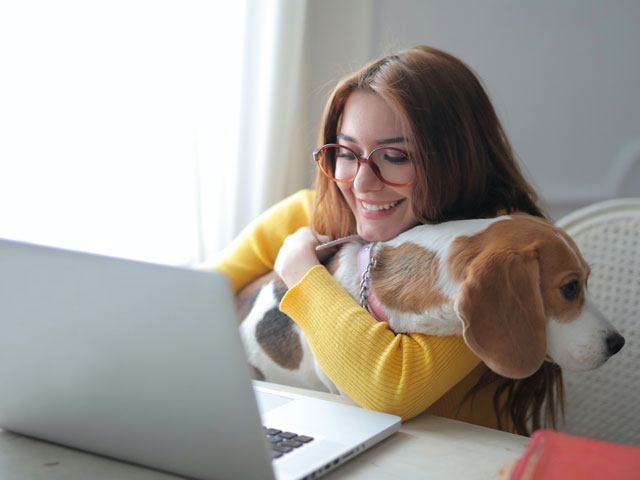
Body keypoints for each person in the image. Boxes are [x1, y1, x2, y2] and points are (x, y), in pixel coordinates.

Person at [207, 45, 563, 435]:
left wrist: (302, 273)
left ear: (457, 161)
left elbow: (391, 391)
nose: (362, 183)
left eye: (395, 156)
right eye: (346, 152)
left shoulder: (490, 257)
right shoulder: (308, 216)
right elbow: (184, 301)